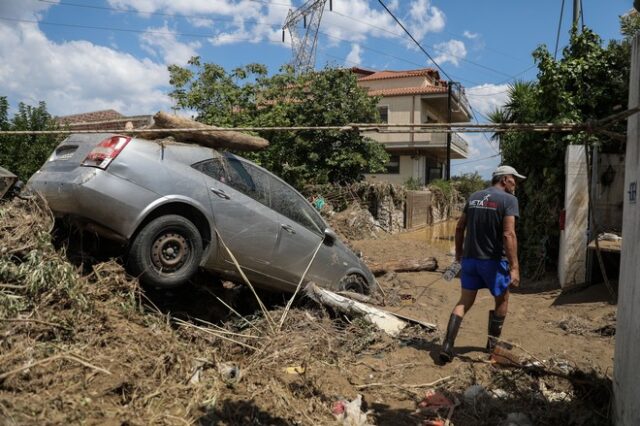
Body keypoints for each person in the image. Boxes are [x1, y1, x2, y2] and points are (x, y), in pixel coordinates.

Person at [439, 165, 525, 363]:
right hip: (493, 263)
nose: (516, 184)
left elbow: (460, 227)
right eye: (514, 179)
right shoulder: (509, 200)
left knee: (464, 302)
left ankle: (447, 345)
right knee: (502, 300)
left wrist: (459, 256)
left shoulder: (474, 197)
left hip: (469, 261)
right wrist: (514, 267)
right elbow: (508, 234)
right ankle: (492, 345)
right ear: (504, 179)